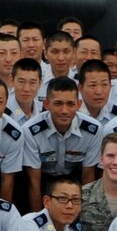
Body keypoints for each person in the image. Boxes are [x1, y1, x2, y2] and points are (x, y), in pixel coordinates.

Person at [20, 76, 106, 209]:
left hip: (75, 180)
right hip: (43, 179)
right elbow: (34, 182)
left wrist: (82, 215)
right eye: (58, 103)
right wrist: (38, 220)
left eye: (70, 104)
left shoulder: (93, 130)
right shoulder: (31, 130)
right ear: (46, 104)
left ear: (78, 104)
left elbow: (88, 177)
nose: (64, 111)